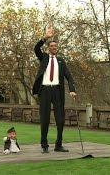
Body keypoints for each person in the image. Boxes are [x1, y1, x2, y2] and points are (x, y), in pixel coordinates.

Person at [32, 23, 77, 153]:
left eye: (55, 46)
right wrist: (45, 37)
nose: (54, 47)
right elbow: (36, 48)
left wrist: (72, 90)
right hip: (45, 90)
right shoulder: (44, 58)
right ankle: (44, 145)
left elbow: (69, 76)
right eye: (51, 46)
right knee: (45, 119)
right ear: (48, 48)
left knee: (60, 119)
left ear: (57, 48)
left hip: (57, 91)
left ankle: (58, 144)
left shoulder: (61, 61)